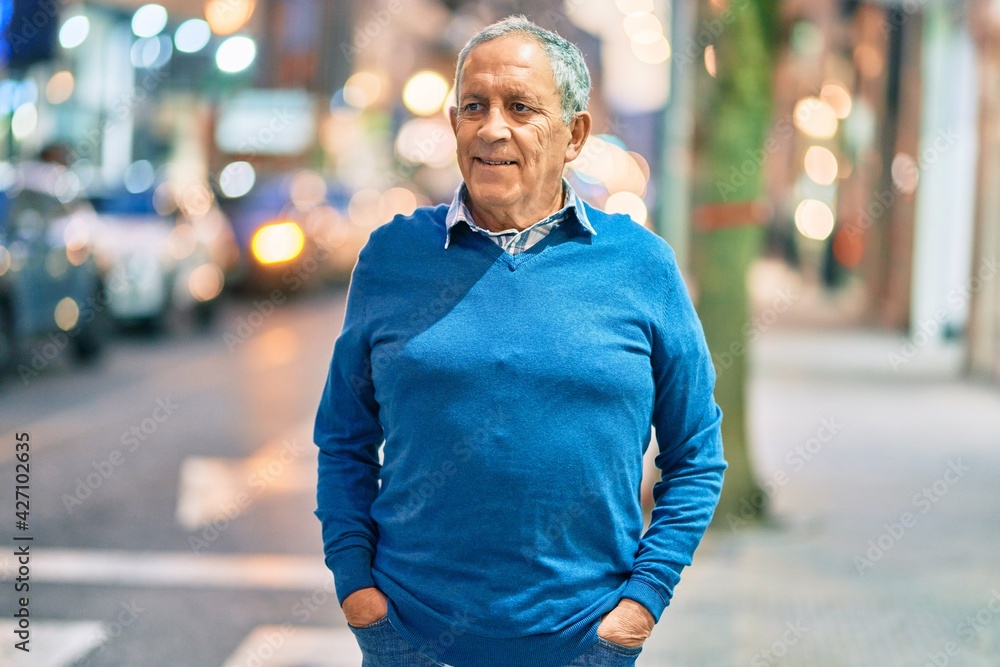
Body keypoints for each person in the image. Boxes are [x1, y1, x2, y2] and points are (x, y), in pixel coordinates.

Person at [314, 15, 726, 667]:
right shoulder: (392, 257)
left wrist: (639, 607)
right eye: (474, 106)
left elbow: (697, 452)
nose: (492, 127)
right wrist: (358, 593)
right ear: (453, 124)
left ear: (575, 135)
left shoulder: (642, 266)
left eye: (521, 107)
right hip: (412, 643)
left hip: (583, 647)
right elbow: (342, 439)